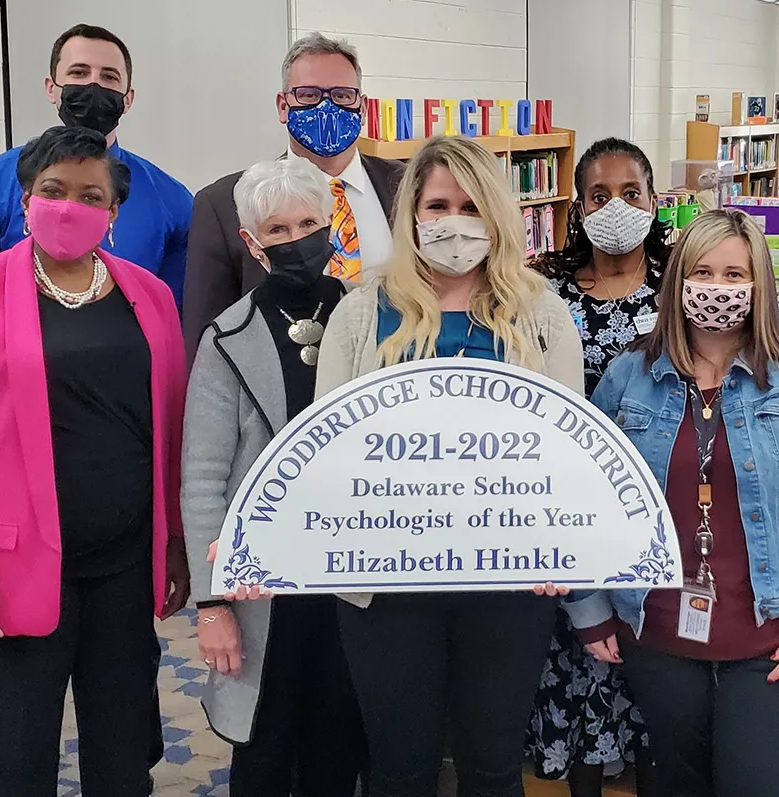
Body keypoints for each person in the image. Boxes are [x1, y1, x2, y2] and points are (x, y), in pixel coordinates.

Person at [0, 125, 190, 797]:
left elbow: (170, 429)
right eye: (53, 190)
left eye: (89, 194)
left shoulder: (149, 296)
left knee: (126, 757)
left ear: (113, 212)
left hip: (127, 566)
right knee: (14, 763)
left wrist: (177, 544)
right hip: (15, 571)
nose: (69, 206)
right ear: (25, 197)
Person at [314, 134, 583, 797]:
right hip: (385, 586)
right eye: (437, 204)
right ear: (411, 214)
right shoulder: (359, 313)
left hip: (507, 584)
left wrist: (560, 547)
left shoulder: (542, 315)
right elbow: (326, 451)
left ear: (496, 214)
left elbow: (569, 452)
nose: (453, 222)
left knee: (492, 765)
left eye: (470, 205)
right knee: (400, 765)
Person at [564, 208, 779, 797]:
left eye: (734, 275)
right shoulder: (629, 377)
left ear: (759, 287)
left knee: (759, 783)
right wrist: (588, 607)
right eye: (702, 272)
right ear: (677, 282)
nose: (718, 289)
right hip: (657, 634)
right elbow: (586, 501)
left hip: (770, 637)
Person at [182, 156, 364, 795]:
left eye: (308, 223)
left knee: (339, 748)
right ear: (254, 244)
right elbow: (202, 478)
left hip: (351, 578)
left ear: (332, 227)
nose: (296, 240)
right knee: (263, 750)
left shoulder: (372, 321)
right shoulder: (224, 338)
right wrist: (211, 604)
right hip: (265, 588)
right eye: (278, 230)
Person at [528, 137, 669, 796]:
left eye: (631, 192)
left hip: (659, 512)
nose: (616, 206)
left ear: (655, 201)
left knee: (654, 680)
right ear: (578, 208)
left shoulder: (680, 289)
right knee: (581, 671)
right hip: (566, 514)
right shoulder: (543, 290)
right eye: (599, 195)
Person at [183, 32, 406, 360]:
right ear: (283, 106)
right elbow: (206, 341)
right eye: (309, 94)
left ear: (362, 106)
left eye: (343, 95)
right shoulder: (223, 204)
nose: (326, 107)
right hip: (281, 397)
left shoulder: (407, 185)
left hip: (389, 384)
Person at [0, 23, 193, 305]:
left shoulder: (172, 201)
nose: (93, 86)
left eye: (109, 77)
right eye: (79, 73)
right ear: (52, 88)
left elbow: (175, 315)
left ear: (128, 99)